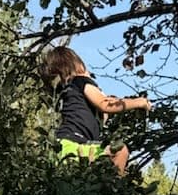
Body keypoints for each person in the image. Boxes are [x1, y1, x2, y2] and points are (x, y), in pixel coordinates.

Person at [42, 44, 149, 175]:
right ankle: (114, 191)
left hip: (61, 145)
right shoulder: (80, 81)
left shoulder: (64, 94)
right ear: (76, 66)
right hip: (75, 145)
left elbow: (98, 111)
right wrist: (139, 102)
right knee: (120, 151)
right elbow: (105, 104)